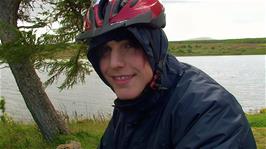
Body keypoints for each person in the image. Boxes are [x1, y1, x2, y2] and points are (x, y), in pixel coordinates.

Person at [76, 0, 257, 148]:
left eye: (129, 46)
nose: (114, 63)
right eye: (105, 50)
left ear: (154, 47)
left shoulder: (211, 112)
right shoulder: (132, 106)